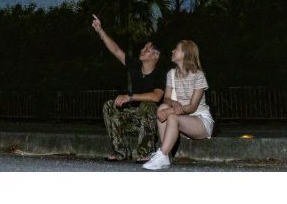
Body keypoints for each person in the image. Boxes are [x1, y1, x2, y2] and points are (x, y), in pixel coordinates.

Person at [91, 14, 165, 162]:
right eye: (143, 47)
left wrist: (130, 97)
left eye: (147, 49)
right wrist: (101, 31)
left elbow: (156, 96)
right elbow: (116, 51)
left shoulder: (160, 74)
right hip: (133, 118)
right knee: (109, 106)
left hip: (151, 122)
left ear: (155, 56)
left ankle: (144, 152)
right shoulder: (136, 66)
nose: (142, 50)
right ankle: (121, 151)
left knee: (149, 105)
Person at [143, 39, 213, 170]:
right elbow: (167, 98)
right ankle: (164, 154)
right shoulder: (171, 74)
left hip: (200, 121)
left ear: (186, 53)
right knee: (162, 108)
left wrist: (171, 111)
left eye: (176, 49)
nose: (172, 51)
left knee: (170, 115)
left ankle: (162, 153)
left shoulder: (198, 76)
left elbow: (192, 107)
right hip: (181, 117)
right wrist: (173, 103)